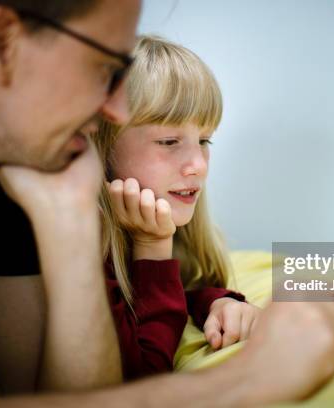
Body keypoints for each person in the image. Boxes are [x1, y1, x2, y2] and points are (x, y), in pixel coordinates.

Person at [0, 1, 334, 406]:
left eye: (206, 141)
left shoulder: (29, 179)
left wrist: (220, 300)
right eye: (101, 70)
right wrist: (245, 379)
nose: (108, 110)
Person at [94, 35, 261, 380]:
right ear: (102, 147)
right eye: (169, 141)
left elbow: (183, 289)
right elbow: (143, 377)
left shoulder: (170, 223)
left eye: (204, 140)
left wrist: (218, 302)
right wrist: (152, 246)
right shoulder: (86, 246)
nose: (198, 164)